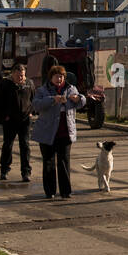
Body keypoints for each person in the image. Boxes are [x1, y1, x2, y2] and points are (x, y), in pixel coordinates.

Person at [31, 61, 86, 200]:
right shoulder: (43, 90)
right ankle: (49, 192)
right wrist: (52, 99)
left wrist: (78, 98)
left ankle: (66, 191)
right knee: (48, 162)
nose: (59, 79)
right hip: (47, 132)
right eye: (56, 76)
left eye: (61, 76)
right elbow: (36, 105)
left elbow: (82, 101)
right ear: (51, 78)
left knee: (64, 162)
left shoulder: (71, 88)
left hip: (65, 132)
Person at [0, 59, 34, 181]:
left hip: (25, 120)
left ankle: (26, 172)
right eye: (18, 76)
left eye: (22, 75)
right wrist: (4, 116)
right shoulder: (5, 84)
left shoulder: (29, 84)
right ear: (12, 74)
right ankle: (4, 169)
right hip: (10, 120)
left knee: (25, 145)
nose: (20, 78)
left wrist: (32, 112)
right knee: (8, 145)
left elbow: (34, 99)